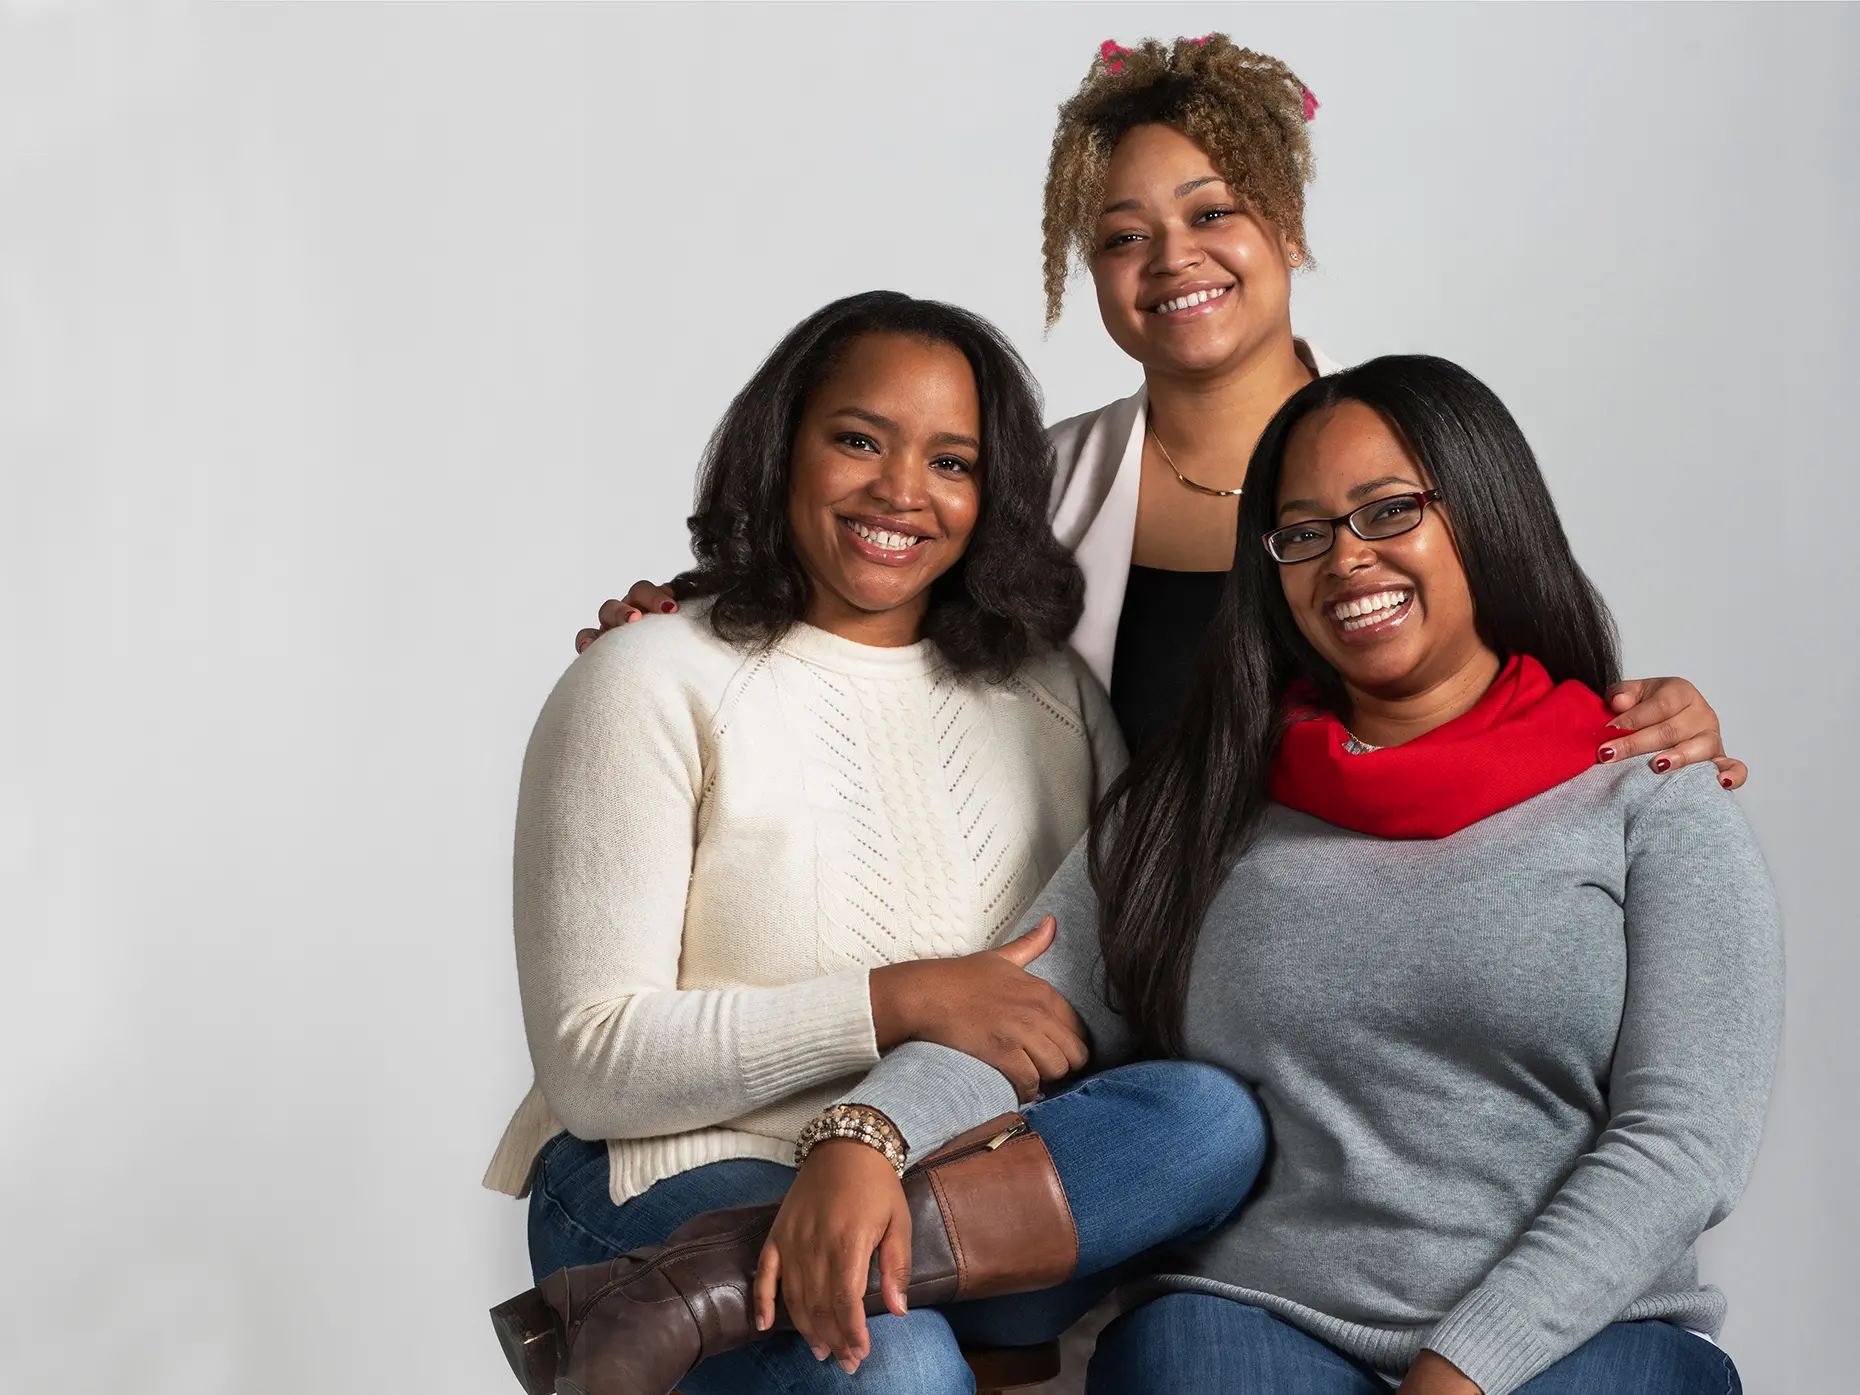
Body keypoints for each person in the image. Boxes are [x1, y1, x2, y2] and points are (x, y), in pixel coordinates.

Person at [753, 355, 1783, 1395]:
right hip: (1254, 1330)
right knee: (1178, 1361)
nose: (1346, 561)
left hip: (1579, 1339)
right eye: (1304, 533)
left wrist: (1464, 1367)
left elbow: (1684, 1141)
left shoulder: (1651, 796)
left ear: (1485, 512)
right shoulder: (1198, 802)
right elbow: (1020, 1004)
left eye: (1388, 512)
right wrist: (865, 1137)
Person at [579, 33, 1746, 786]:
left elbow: (1537, 683)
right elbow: (863, 593)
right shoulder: (1029, 482)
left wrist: (1659, 717)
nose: (1171, 259)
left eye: (1210, 213)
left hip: (1375, 961)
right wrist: (690, 624)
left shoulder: (1413, 453)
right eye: (1122, 238)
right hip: (1110, 984)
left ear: (1286, 227)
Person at [482, 290, 1267, 1395]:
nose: (903, 492)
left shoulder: (1047, 695)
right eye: (859, 440)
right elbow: (594, 1067)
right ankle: (776, 1272)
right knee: (890, 1366)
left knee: (1206, 1122)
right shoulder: (647, 678)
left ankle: (699, 1293)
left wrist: (873, 1143)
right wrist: (897, 1000)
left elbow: (1095, 988)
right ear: (782, 446)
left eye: (953, 462)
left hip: (946, 1170)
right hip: (667, 1170)